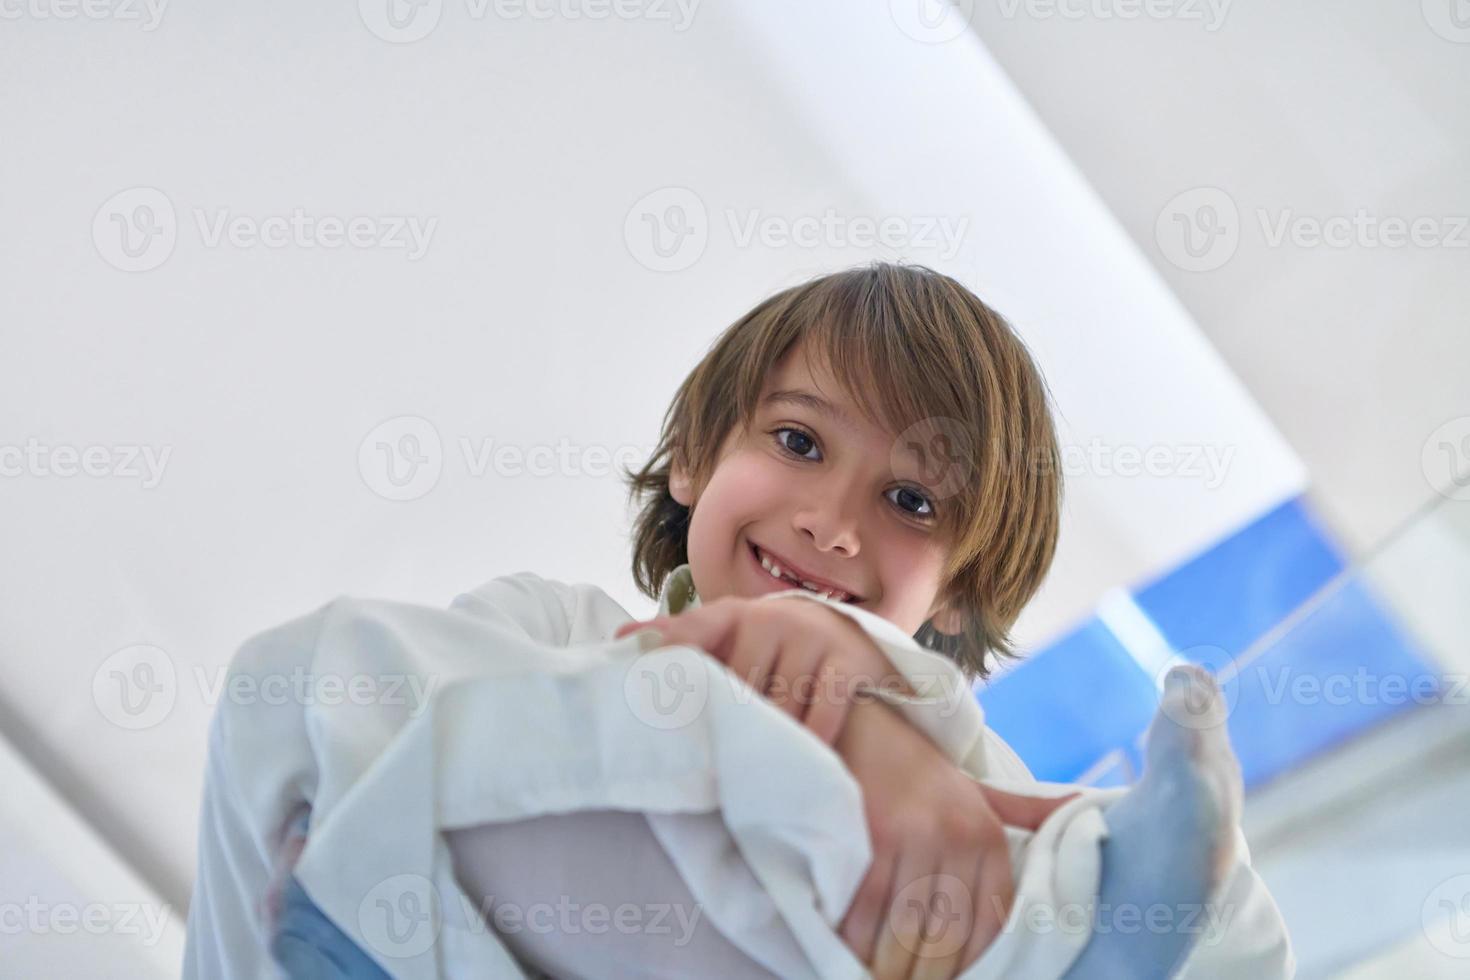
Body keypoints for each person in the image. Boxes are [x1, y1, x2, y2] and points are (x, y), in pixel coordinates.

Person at [183, 263, 1295, 978]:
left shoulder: (971, 778)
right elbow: (299, 712)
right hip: (386, 940)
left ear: (957, 588)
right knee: (316, 680)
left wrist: (884, 707)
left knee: (1082, 867)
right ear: (693, 458)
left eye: (911, 502)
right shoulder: (545, 625)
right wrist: (832, 722)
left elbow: (1243, 946)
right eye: (801, 442)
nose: (834, 522)